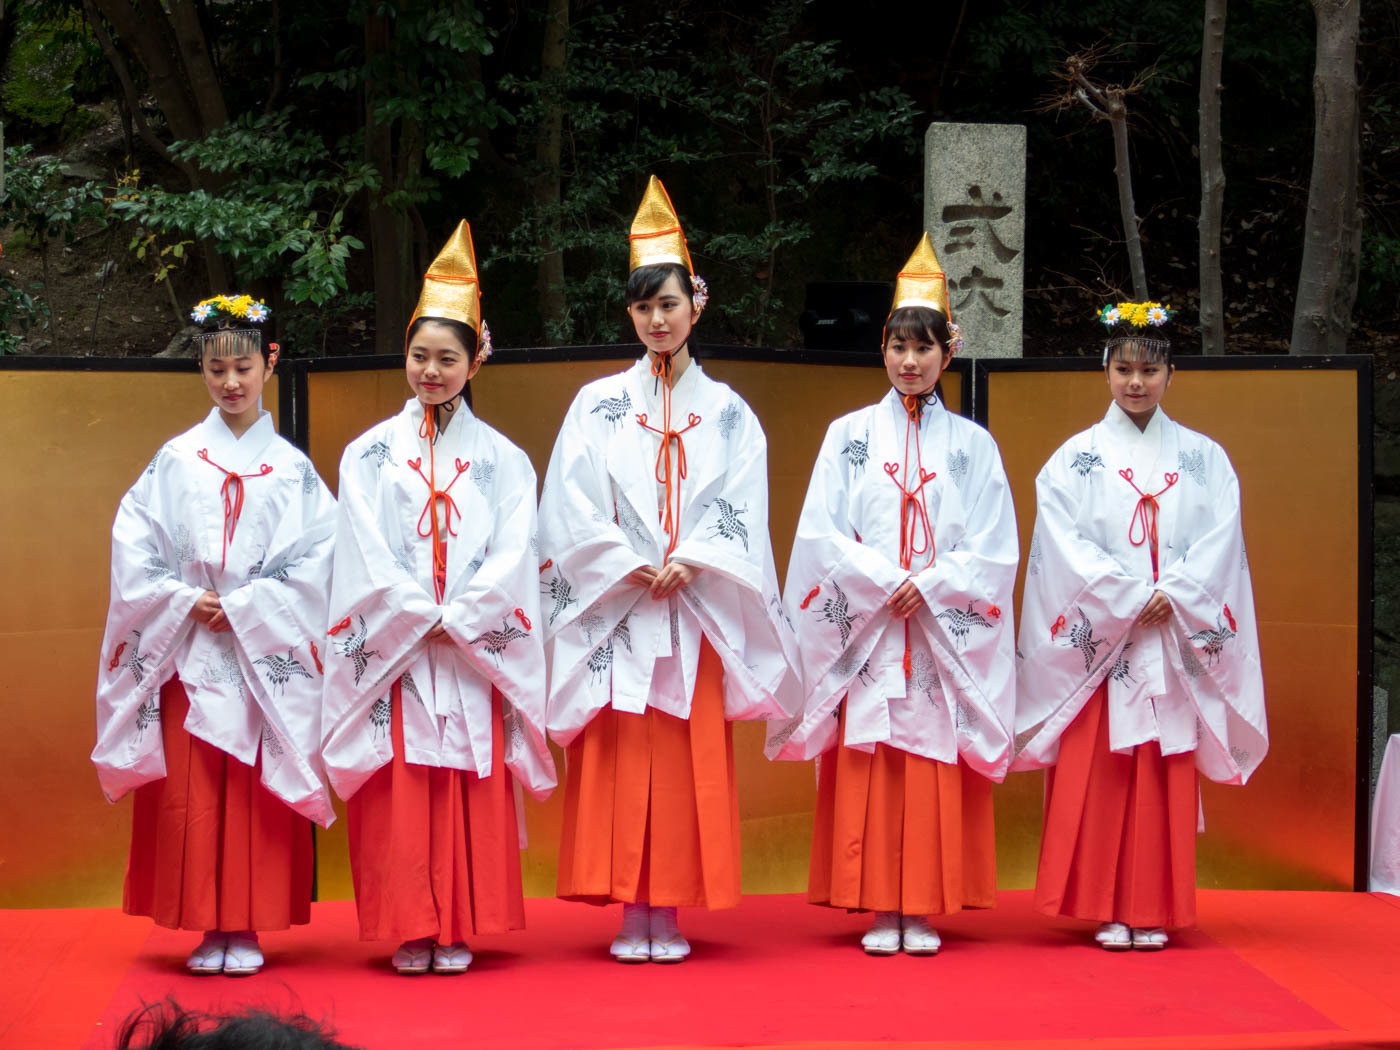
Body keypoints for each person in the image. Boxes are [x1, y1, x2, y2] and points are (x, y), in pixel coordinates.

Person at [539, 176, 800, 963]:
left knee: (688, 757)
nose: (657, 319)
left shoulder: (726, 412)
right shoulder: (595, 404)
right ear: (631, 313)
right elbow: (570, 503)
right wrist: (624, 561)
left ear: (698, 304)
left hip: (694, 604)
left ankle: (673, 910)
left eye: (669, 304)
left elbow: (742, 501)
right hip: (623, 601)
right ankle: (628, 907)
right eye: (644, 307)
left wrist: (695, 558)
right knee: (622, 752)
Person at [768, 235, 1018, 956]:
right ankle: (879, 902)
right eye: (899, 346)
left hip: (939, 629)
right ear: (883, 348)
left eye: (925, 348)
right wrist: (887, 585)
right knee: (872, 755)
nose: (910, 361)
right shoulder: (847, 436)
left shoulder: (973, 446)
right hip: (871, 628)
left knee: (931, 757)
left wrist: (930, 587)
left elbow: (995, 547)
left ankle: (927, 903)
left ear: (949, 353)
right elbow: (820, 535)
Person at [319, 222, 556, 975]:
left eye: (447, 358)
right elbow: (359, 547)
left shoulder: (506, 461)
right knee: (401, 790)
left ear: (476, 360)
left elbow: (519, 552)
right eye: (420, 356)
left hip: (468, 649)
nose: (431, 370)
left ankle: (456, 925)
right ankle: (407, 925)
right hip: (400, 648)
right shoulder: (367, 456)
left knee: (464, 780)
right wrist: (417, 615)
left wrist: (464, 616)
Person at [93, 295, 337, 976]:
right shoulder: (174, 460)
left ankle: (249, 926)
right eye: (216, 369)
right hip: (189, 644)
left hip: (260, 648)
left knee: (252, 787)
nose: (231, 383)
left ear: (271, 363)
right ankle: (206, 924)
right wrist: (181, 598)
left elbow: (320, 559)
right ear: (201, 370)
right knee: (194, 790)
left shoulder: (292, 470)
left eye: (244, 367)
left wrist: (253, 604)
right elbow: (134, 546)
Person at [1014, 301, 1268, 951]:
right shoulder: (1074, 460)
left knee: (1160, 768)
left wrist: (1174, 595)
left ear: (1170, 373)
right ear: (1104, 370)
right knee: (1104, 772)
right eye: (1123, 368)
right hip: (1107, 643)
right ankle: (1104, 904)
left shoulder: (1206, 459)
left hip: (1172, 638)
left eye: (1148, 371)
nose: (1135, 382)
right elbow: (1062, 547)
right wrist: (1130, 597)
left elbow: (1221, 541)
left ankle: (1150, 905)